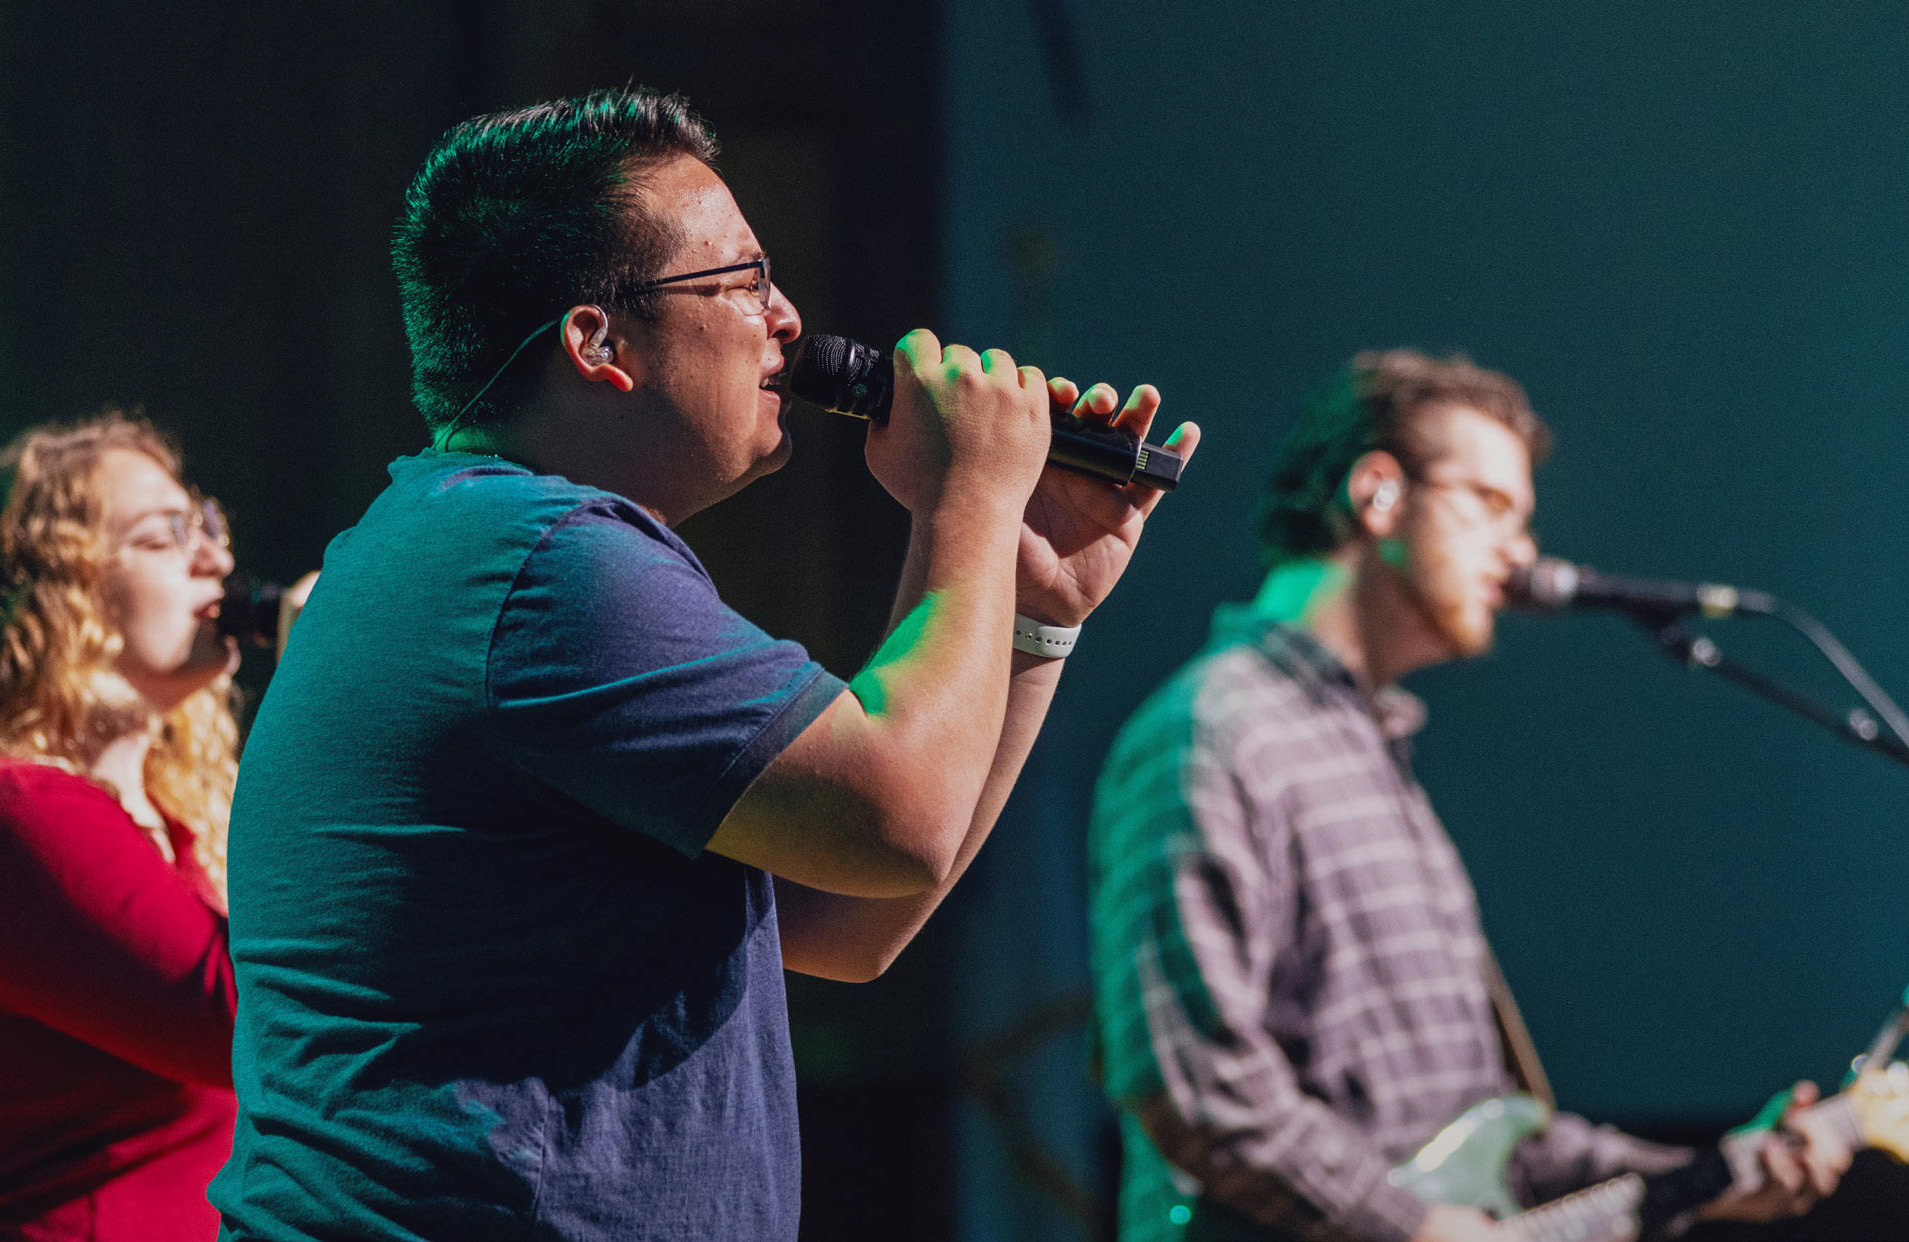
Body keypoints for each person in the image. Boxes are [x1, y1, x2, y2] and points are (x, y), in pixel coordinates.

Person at [210, 88, 1197, 1241]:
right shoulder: (540, 563)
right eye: (738, 282)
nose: (786, 317)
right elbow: (896, 819)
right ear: (598, 342)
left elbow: (845, 918)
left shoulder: (471, 544)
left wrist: (1030, 612)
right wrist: (967, 493)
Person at [1088, 351, 1851, 1242]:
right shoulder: (1213, 734)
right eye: (1491, 506)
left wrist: (1711, 1175)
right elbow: (1192, 1085)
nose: (1522, 555)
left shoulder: (1371, 756)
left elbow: (1483, 1130)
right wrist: (1404, 1226)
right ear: (1378, 494)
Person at [0, 414, 256, 1240]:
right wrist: (344, 684)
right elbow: (251, 1020)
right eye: (164, 535)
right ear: (49, 594)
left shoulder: (178, 825)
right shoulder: (6, 820)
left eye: (206, 522)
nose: (216, 558)